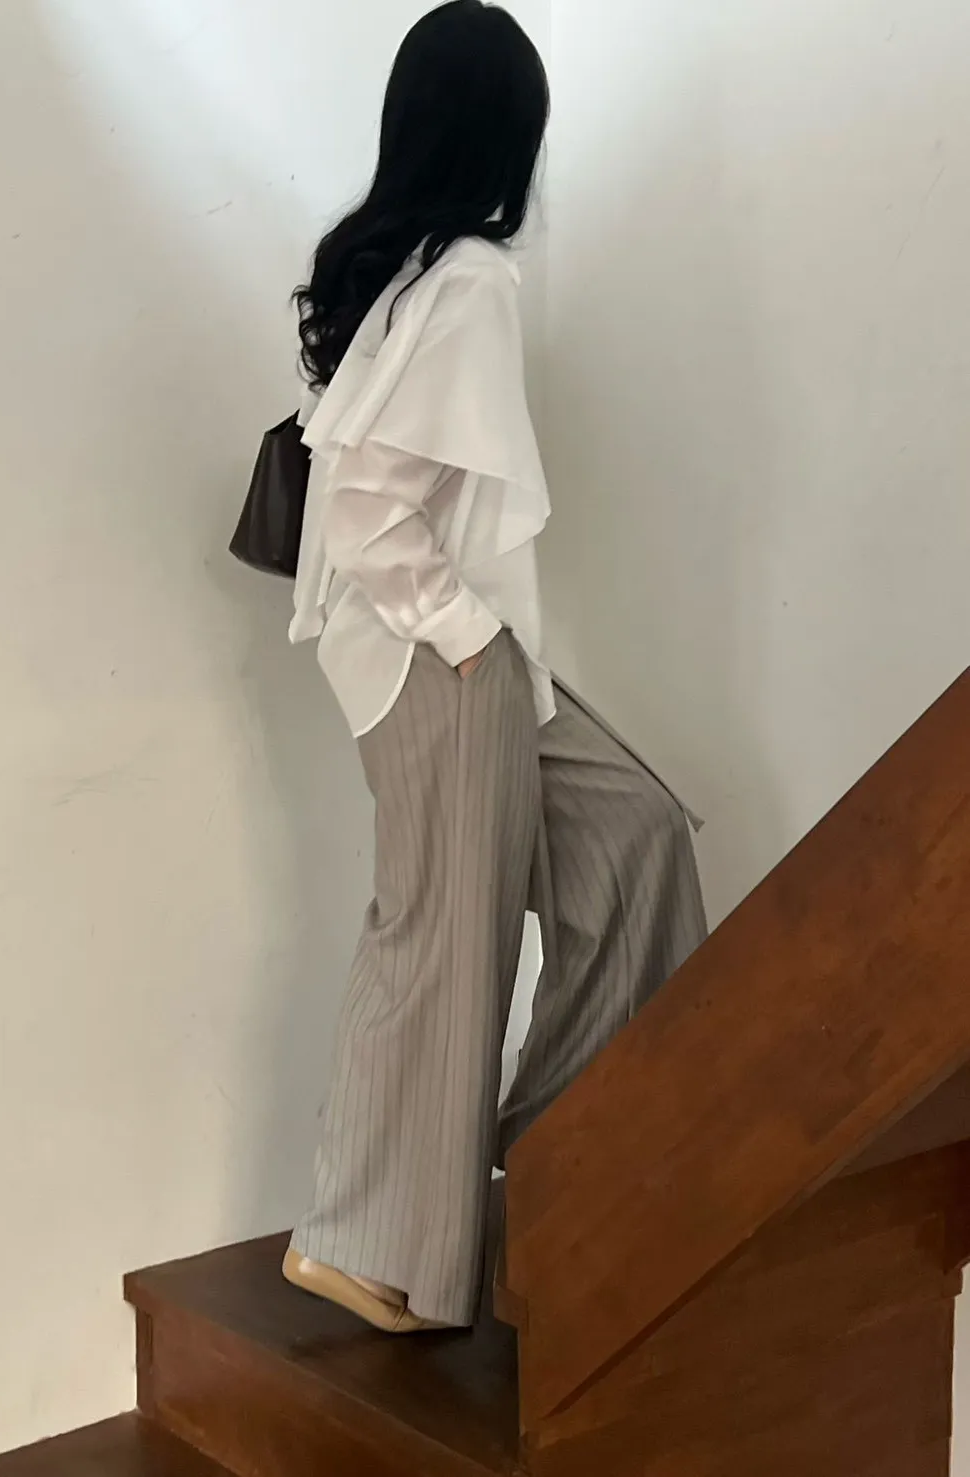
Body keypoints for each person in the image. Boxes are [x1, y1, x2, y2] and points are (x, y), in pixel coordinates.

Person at [283, 0, 707, 1334]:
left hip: (458, 654)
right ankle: (369, 1245)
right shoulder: (465, 278)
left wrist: (479, 645)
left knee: (633, 835)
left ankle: (563, 1142)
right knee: (443, 938)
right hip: (441, 656)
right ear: (506, 132)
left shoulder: (409, 272)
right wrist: (466, 642)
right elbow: (365, 511)